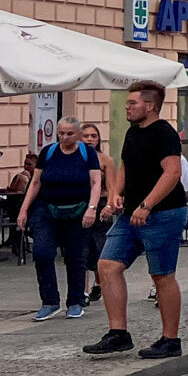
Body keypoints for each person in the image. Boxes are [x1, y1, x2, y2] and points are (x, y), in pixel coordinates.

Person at [83, 82, 187, 358]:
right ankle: (118, 333)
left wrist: (146, 205)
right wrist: (116, 193)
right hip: (130, 214)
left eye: (132, 103)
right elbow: (125, 165)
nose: (127, 107)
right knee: (107, 265)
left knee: (162, 275)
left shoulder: (164, 132)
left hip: (163, 213)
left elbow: (172, 172)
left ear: (150, 106)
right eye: (127, 103)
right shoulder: (132, 133)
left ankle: (170, 339)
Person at [17, 118, 103, 321]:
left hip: (78, 211)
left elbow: (96, 182)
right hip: (47, 210)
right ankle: (49, 301)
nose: (65, 137)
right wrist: (23, 210)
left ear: (78, 134)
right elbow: (36, 182)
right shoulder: (48, 152)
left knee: (75, 257)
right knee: (42, 253)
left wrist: (92, 208)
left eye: (69, 134)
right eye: (61, 133)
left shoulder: (87, 153)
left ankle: (75, 302)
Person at [80, 123, 116, 304]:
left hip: (101, 205)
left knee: (99, 248)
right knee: (82, 249)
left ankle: (99, 283)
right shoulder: (76, 158)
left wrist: (109, 206)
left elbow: (112, 187)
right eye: (86, 136)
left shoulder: (105, 160)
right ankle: (83, 292)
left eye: (93, 136)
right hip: (81, 205)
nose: (90, 139)